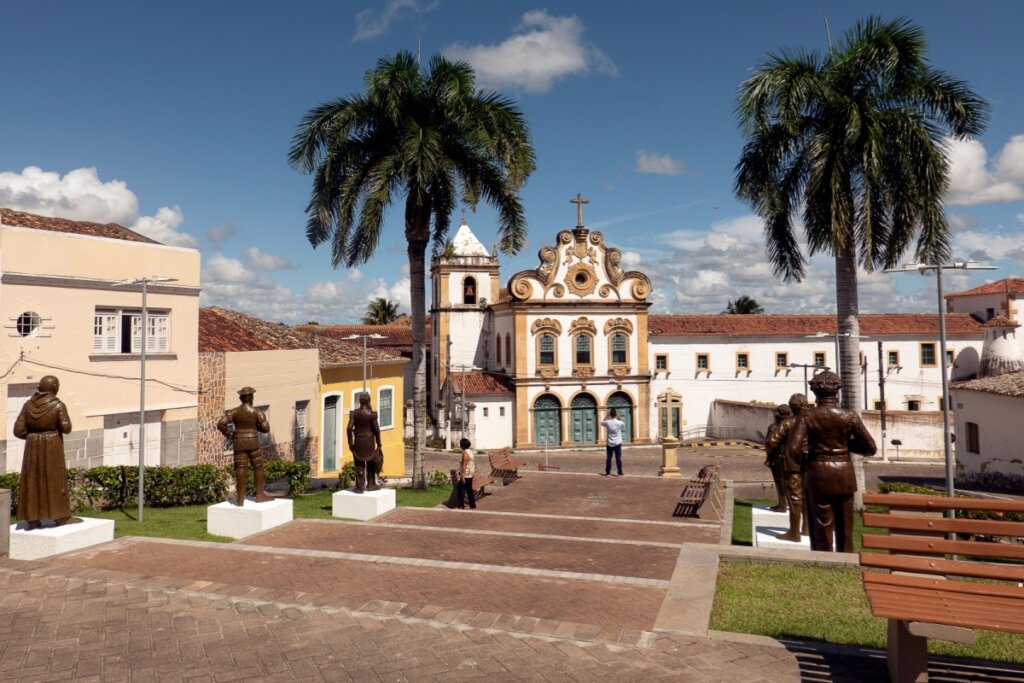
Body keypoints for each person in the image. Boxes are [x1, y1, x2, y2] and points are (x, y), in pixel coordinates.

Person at [789, 371, 876, 552]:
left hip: (818, 473)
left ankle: (824, 559)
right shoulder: (849, 416)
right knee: (845, 525)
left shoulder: (806, 415)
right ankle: (846, 558)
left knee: (821, 524)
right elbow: (870, 448)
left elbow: (793, 449)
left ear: (815, 391)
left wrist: (805, 460)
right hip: (844, 474)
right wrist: (846, 445)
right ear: (837, 391)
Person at [14, 375, 80, 529]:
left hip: (32, 445)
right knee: (55, 479)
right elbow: (66, 428)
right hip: (52, 444)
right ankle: (61, 517)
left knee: (32, 479)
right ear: (55, 388)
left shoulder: (27, 405)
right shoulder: (58, 405)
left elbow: (18, 430)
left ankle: (32, 520)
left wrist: (33, 437)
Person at [217, 386, 273, 506]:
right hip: (253, 443)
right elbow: (266, 428)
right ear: (251, 398)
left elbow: (220, 424)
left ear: (241, 398)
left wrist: (230, 434)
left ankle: (240, 499)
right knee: (258, 467)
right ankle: (259, 495)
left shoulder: (234, 412)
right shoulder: (257, 412)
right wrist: (255, 427)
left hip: (239, 443)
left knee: (240, 468)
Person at [766, 394, 810, 542]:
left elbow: (771, 441)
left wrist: (777, 452)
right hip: (811, 463)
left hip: (793, 464)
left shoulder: (789, 423)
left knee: (795, 497)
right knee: (807, 495)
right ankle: (806, 528)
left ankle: (794, 532)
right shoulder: (814, 421)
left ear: (792, 407)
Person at [346, 392, 383, 494]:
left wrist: (350, 442)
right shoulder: (372, 414)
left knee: (359, 464)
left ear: (360, 401)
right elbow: (377, 430)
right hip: (369, 442)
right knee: (371, 463)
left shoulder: (354, 413)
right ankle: (371, 484)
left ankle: (359, 487)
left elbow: (349, 428)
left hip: (358, 441)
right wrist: (379, 442)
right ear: (368, 401)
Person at [763, 404, 792, 512]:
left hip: (778, 458)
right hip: (792, 458)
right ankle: (792, 504)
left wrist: (769, 455)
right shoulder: (795, 426)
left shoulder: (774, 427)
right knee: (792, 482)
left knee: (780, 481)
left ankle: (782, 504)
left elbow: (769, 444)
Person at [601, 408, 625, 476]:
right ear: (616, 414)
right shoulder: (619, 423)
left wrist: (607, 416)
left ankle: (608, 472)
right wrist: (618, 416)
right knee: (618, 458)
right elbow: (623, 423)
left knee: (609, 458)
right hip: (617, 442)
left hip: (609, 442)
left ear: (610, 415)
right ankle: (620, 472)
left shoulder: (608, 422)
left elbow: (602, 422)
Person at [456, 438, 477, 509]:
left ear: (462, 445)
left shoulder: (465, 453)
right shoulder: (470, 452)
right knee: (469, 489)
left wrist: (462, 475)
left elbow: (464, 465)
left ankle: (461, 504)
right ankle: (472, 504)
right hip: (470, 473)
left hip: (466, 474)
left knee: (460, 488)